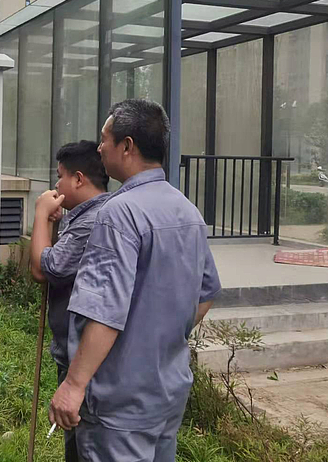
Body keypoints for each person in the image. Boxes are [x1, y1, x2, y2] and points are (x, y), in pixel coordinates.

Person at [49, 99, 221, 462]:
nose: (99, 148)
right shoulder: (187, 210)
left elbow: (103, 312)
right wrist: (159, 335)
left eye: (104, 139)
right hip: (167, 392)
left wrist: (74, 385)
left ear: (127, 146)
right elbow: (206, 294)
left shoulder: (118, 213)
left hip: (119, 404)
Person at [28, 140, 111, 462]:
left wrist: (40, 214)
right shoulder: (89, 215)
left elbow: (43, 269)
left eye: (60, 176)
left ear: (78, 179)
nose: (56, 185)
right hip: (79, 351)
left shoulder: (91, 222)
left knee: (82, 445)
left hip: (83, 357)